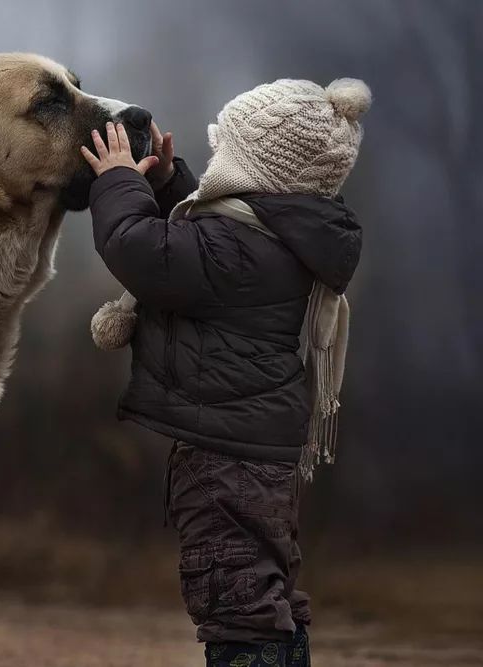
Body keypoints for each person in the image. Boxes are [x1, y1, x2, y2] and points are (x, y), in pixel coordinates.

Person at [79, 78, 371, 667]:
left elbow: (142, 249)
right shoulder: (275, 239)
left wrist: (119, 181)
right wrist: (166, 184)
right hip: (258, 449)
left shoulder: (236, 252)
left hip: (224, 459)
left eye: (225, 153)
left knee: (235, 598)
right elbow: (199, 244)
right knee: (268, 590)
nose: (216, 164)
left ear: (252, 168)